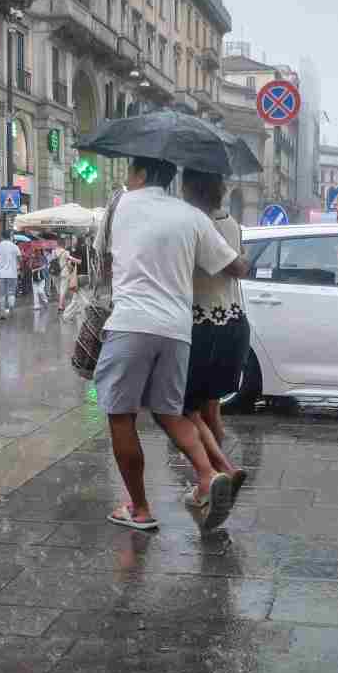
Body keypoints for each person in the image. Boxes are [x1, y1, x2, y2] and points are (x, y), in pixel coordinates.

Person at [95, 157, 249, 530]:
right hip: (178, 331)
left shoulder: (118, 205)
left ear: (142, 174)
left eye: (131, 173)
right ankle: (207, 475)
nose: (128, 180)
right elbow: (234, 267)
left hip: (131, 324)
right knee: (170, 412)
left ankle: (140, 509)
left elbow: (101, 262)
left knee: (121, 415)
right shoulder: (191, 216)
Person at [180, 169, 250, 517]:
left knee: (184, 410)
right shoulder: (232, 222)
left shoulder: (195, 224)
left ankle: (209, 482)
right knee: (211, 410)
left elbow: (236, 267)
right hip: (233, 321)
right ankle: (211, 480)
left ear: (192, 188)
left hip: (204, 325)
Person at [0, 231, 22, 320]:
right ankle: (11, 306)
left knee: (2, 294)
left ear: (2, 236)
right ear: (10, 236)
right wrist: (19, 268)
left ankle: (2, 314)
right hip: (13, 274)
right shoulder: (15, 247)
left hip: (1, 274)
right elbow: (20, 259)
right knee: (11, 292)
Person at [53, 238, 81, 312]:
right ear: (63, 244)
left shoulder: (54, 251)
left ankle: (62, 304)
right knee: (63, 290)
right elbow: (70, 258)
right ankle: (60, 305)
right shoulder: (65, 252)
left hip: (55, 273)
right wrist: (78, 261)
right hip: (64, 272)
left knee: (59, 289)